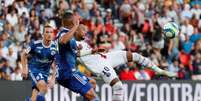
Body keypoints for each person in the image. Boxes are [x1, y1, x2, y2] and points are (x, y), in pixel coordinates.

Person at [76, 25, 178, 101]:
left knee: (135, 56)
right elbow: (75, 54)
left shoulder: (81, 41)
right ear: (76, 31)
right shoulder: (71, 43)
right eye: (83, 30)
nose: (85, 32)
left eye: (85, 30)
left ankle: (158, 70)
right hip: (100, 66)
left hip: (105, 57)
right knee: (118, 87)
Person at [56, 11, 100, 101]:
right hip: (68, 72)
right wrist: (76, 27)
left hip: (69, 71)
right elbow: (63, 40)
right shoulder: (63, 33)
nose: (78, 21)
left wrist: (92, 51)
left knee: (92, 83)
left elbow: (76, 54)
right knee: (92, 95)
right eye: (76, 20)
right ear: (72, 22)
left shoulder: (70, 37)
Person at [21, 24, 57, 101]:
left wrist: (53, 78)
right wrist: (24, 68)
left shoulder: (55, 47)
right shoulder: (35, 44)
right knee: (43, 88)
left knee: (36, 92)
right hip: (34, 69)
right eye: (47, 32)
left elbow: (57, 63)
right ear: (43, 34)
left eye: (51, 32)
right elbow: (23, 54)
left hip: (45, 72)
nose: (49, 34)